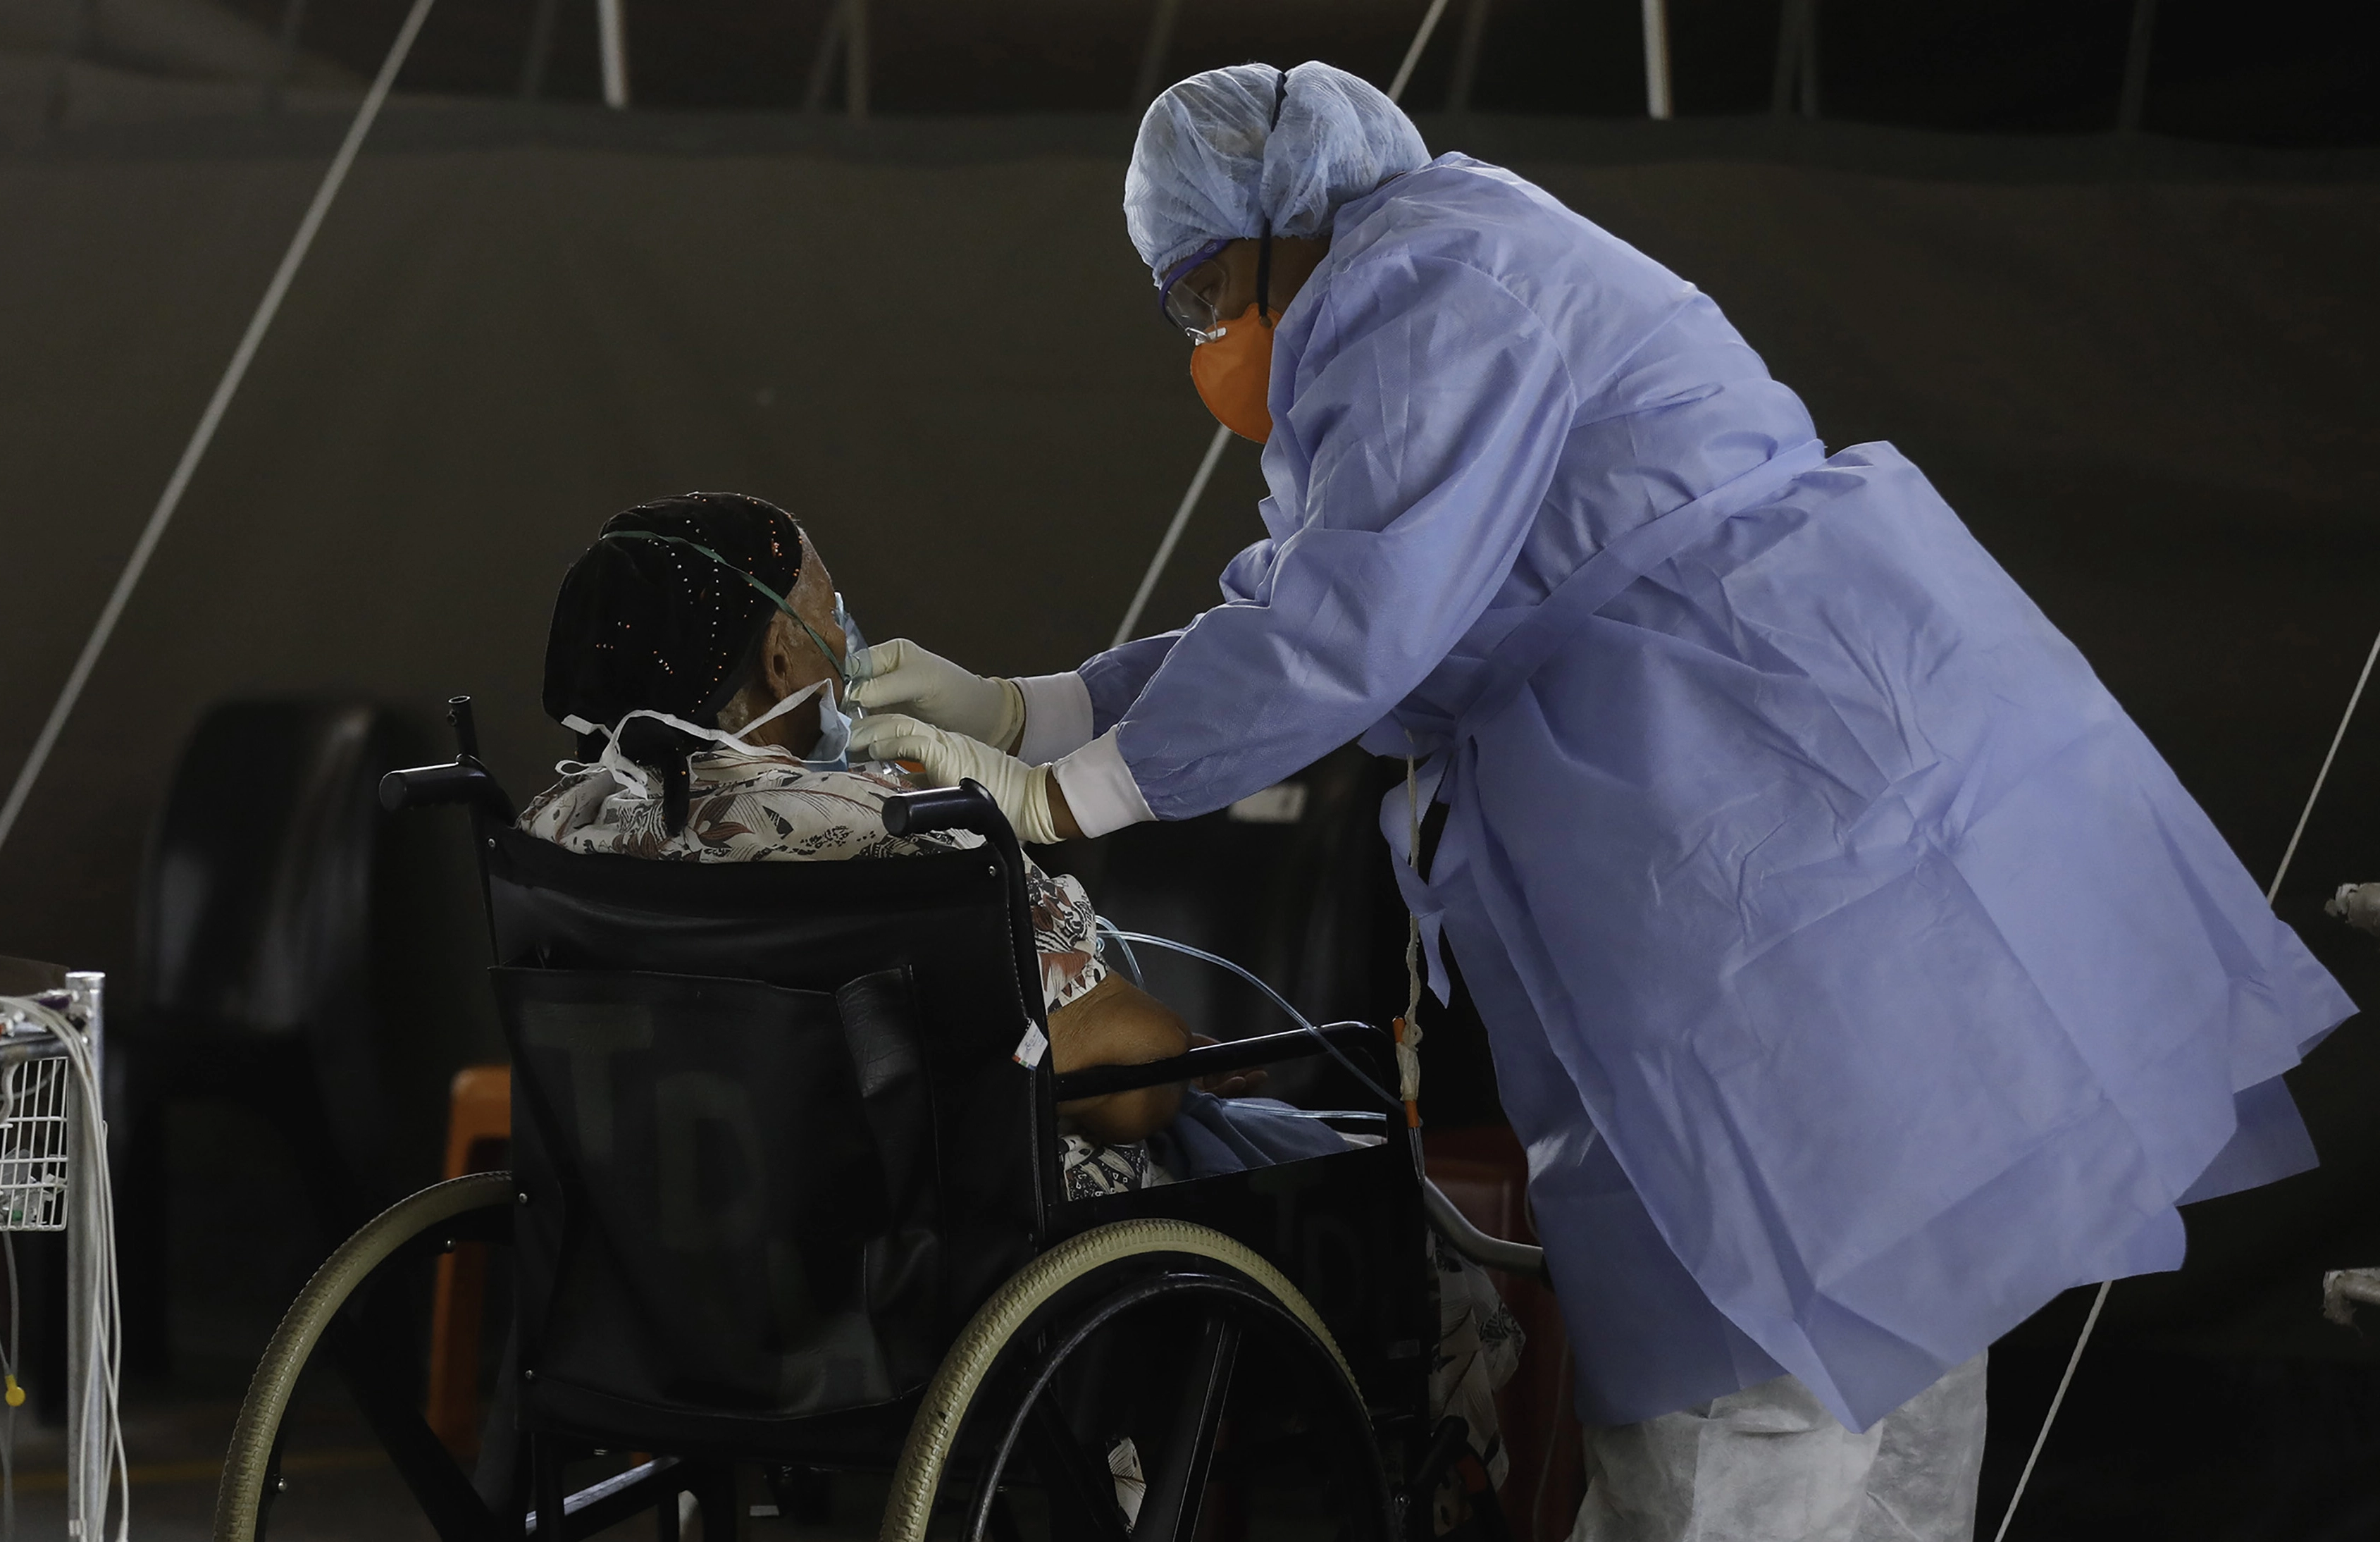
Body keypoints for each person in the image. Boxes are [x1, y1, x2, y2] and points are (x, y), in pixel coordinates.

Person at [846, 60, 2353, 1542]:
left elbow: (1346, 625)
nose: (1208, 333)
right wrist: (1035, 707)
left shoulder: (1419, 286)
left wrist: (1061, 795)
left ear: (1280, 217)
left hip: (1757, 815)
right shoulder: (1445, 271)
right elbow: (1303, 598)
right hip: (1814, 792)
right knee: (1879, 1330)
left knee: (1764, 1344)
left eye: (1205, 288)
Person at [523, 493, 1525, 1507]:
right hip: (934, 1296)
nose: (847, 634)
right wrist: (1177, 1053)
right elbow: (1126, 1086)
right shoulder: (890, 827)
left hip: (675, 1290)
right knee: (1398, 1227)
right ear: (783, 657)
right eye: (830, 608)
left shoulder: (558, 831)